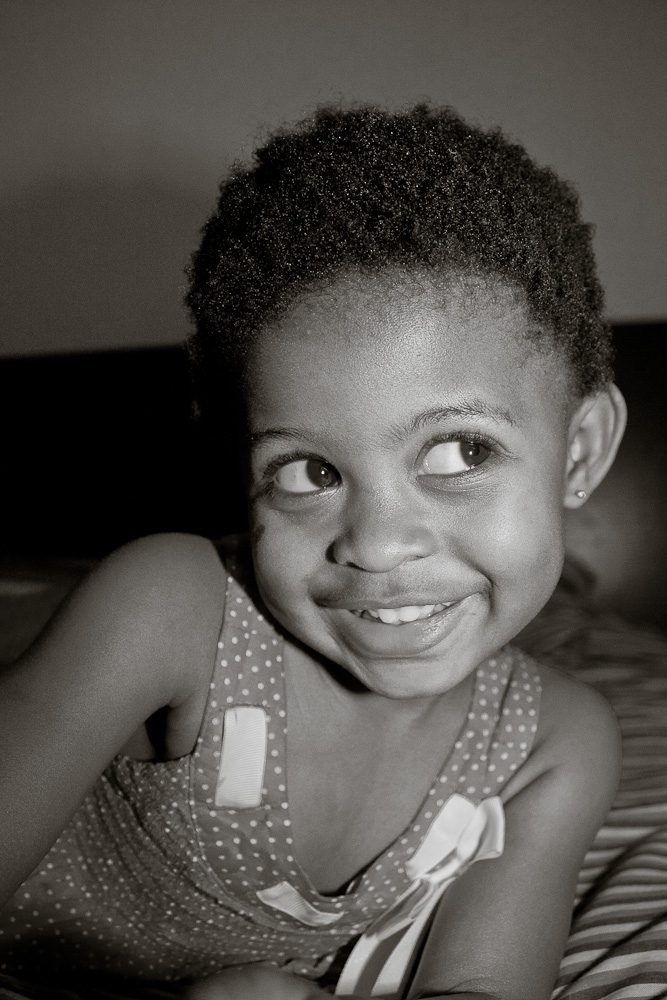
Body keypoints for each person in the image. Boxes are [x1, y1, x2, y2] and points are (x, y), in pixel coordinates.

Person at [0, 104, 627, 1000]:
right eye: (308, 471)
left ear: (578, 452)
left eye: (461, 452)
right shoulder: (171, 611)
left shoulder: (551, 746)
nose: (375, 544)